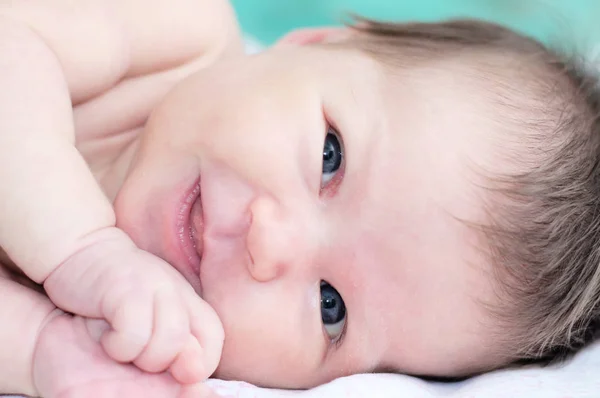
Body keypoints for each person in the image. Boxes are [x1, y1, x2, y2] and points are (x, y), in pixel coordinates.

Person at [2, 0, 600, 397]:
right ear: (313, 43)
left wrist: (37, 347)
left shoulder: (140, 326)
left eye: (330, 307)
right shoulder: (172, 28)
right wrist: (80, 251)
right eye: (329, 158)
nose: (270, 242)